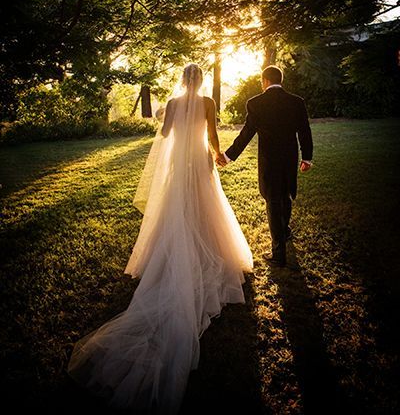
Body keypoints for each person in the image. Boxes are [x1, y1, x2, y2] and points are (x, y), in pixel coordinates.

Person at [67, 63, 253, 414]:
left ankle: (167, 253)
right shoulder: (208, 101)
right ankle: (211, 249)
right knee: (206, 207)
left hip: (179, 167)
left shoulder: (172, 102)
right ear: (199, 81)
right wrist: (216, 156)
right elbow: (211, 134)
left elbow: (166, 136)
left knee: (176, 211)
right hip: (200, 162)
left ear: (182, 80)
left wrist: (163, 119)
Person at [216, 65, 313, 267]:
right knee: (286, 194)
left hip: (269, 160)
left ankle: (279, 253)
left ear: (265, 81)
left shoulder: (255, 103)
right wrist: (307, 157)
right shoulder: (297, 102)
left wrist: (228, 156)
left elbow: (246, 134)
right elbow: (305, 130)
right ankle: (284, 232)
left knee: (272, 200)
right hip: (289, 157)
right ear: (280, 80)